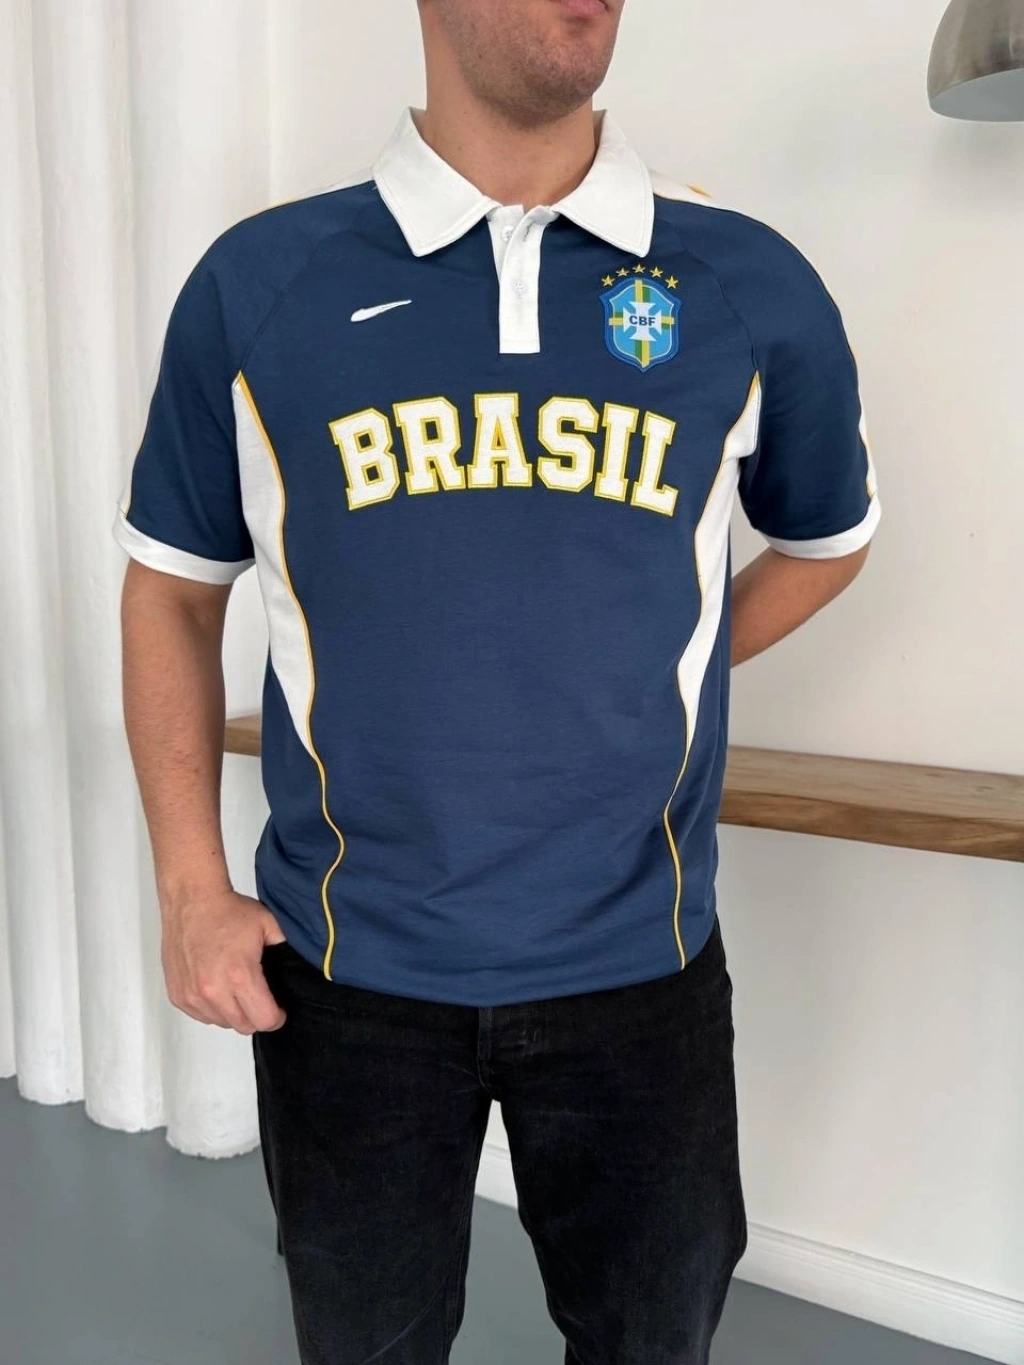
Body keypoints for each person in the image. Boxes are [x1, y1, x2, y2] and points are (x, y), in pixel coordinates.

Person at [113, 0, 881, 1361]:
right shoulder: (265, 281)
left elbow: (827, 542)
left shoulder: (745, 283)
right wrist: (187, 889)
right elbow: (173, 586)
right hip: (349, 966)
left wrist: (656, 657)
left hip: (642, 962)